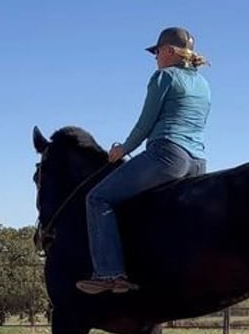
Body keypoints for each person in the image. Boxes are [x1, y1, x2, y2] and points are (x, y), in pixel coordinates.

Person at [76, 27, 211, 295]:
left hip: (167, 155)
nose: (155, 57)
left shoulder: (164, 77)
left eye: (158, 51)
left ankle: (109, 274)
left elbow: (145, 123)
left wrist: (122, 149)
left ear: (170, 51)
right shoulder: (203, 85)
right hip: (197, 161)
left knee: (97, 199)